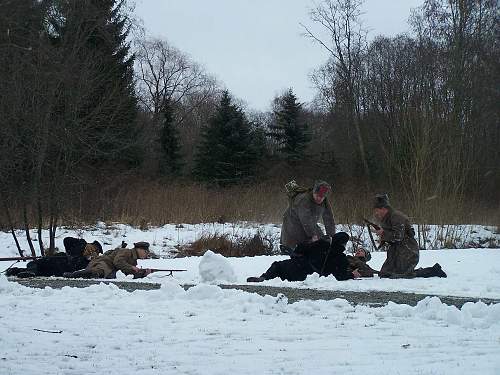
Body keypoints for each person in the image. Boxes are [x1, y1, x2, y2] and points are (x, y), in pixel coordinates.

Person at [372, 194, 446, 278]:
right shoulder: (387, 218)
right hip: (396, 252)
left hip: (407, 251)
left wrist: (383, 233)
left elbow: (398, 236)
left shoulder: (396, 217)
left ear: (383, 209)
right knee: (385, 274)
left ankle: (434, 271)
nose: (376, 213)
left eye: (377, 210)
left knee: (402, 275)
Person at [247, 232, 360, 282]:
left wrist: (312, 242)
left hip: (296, 266)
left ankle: (264, 278)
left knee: (277, 266)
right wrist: (352, 275)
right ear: (344, 245)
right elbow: (340, 275)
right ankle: (266, 280)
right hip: (308, 277)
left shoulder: (321, 244)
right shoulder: (341, 258)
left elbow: (298, 250)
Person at [280, 180, 336, 254]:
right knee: (296, 249)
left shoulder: (324, 201)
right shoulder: (304, 199)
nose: (319, 199)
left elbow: (329, 218)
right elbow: (305, 219)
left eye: (322, 197)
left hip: (310, 223)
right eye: (317, 196)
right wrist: (313, 235)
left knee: (322, 242)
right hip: (293, 222)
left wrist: (332, 237)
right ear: (313, 192)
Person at [5, 237, 102, 278]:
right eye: (93, 248)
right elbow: (66, 240)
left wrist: (87, 258)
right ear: (90, 244)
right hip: (58, 260)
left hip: (60, 271)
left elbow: (81, 270)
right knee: (36, 264)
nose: (93, 251)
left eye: (96, 252)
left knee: (41, 272)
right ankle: (19, 271)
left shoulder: (89, 261)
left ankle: (25, 272)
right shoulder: (79, 244)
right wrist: (82, 245)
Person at [63, 241, 152, 279]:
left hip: (110, 269)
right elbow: (118, 262)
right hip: (103, 262)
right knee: (98, 271)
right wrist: (132, 267)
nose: (146, 254)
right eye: (145, 251)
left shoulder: (134, 260)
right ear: (139, 249)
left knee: (103, 274)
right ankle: (72, 275)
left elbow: (127, 274)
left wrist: (143, 274)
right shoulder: (126, 251)